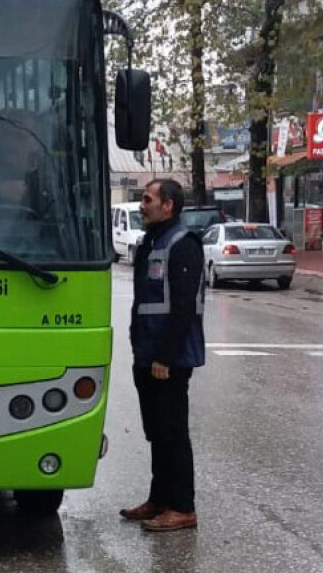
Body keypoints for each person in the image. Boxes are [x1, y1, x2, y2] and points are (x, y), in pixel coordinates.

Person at [120, 178, 205, 533]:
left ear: (167, 204)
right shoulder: (150, 241)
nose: (142, 205)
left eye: (147, 199)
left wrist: (165, 358)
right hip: (147, 353)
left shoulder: (183, 245)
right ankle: (159, 497)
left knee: (173, 432)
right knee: (156, 431)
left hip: (168, 358)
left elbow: (183, 307)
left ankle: (183, 507)